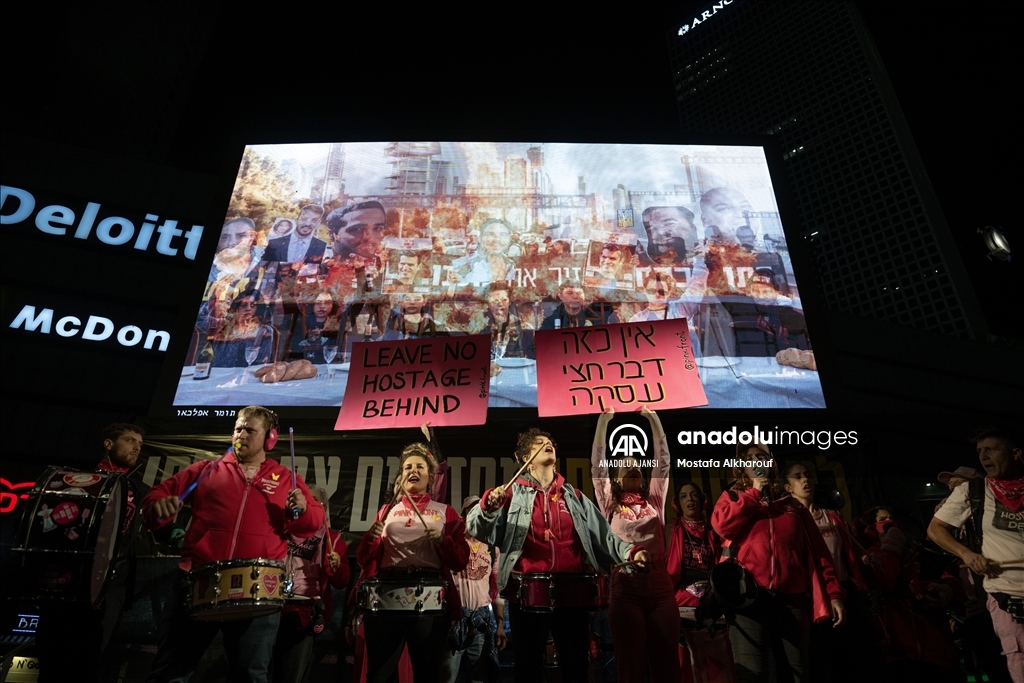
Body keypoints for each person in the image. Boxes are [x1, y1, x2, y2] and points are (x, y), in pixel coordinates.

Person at [141, 406, 324, 683]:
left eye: (250, 430)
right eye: (238, 428)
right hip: (197, 580)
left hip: (258, 587)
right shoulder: (206, 470)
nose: (242, 434)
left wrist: (303, 510)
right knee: (171, 672)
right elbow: (157, 496)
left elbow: (311, 524)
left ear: (270, 439)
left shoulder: (287, 480)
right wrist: (158, 508)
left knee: (250, 676)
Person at [466, 428, 648, 683]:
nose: (548, 444)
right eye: (539, 444)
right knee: (528, 670)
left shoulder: (572, 495)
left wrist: (632, 552)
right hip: (525, 596)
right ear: (523, 457)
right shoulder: (509, 493)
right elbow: (477, 529)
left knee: (575, 668)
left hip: (572, 594)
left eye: (550, 442)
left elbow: (605, 536)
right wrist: (487, 508)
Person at [711, 442, 845, 683]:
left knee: (796, 673)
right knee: (752, 674)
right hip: (748, 599)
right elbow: (721, 525)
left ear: (771, 464)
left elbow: (819, 553)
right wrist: (753, 494)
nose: (756, 461)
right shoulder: (732, 497)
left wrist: (833, 593)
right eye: (749, 458)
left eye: (760, 456)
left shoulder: (793, 506)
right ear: (741, 468)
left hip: (791, 599)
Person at [36, 424, 146, 683]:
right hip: (71, 579)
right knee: (53, 658)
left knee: (91, 661)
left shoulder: (139, 489)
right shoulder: (79, 478)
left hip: (112, 587)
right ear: (109, 444)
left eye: (140, 444)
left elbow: (157, 522)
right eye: (130, 440)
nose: (136, 447)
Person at [356, 443, 470, 683]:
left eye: (419, 466)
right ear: (401, 475)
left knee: (427, 673)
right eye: (408, 467)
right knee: (380, 673)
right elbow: (364, 558)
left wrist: (443, 540)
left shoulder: (445, 512)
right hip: (387, 594)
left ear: (430, 477)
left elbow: (461, 560)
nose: (413, 470)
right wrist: (370, 539)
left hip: (428, 596)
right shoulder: (387, 510)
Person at [929, 427, 1024, 683]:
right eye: (979, 451)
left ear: (1016, 454)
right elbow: (935, 529)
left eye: (991, 449)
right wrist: (967, 554)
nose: (983, 456)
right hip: (1006, 596)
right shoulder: (974, 492)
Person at [591, 407, 679, 683]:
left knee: (667, 665)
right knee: (631, 667)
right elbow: (598, 465)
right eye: (626, 464)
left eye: (638, 466)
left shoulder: (654, 502)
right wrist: (604, 422)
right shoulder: (609, 504)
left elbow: (662, 463)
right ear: (615, 478)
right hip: (625, 587)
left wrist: (653, 419)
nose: (634, 466)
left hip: (661, 588)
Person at [781, 462, 875, 683]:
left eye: (807, 475)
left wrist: (863, 559)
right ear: (787, 487)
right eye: (797, 477)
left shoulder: (831, 516)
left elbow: (846, 551)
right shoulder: (791, 521)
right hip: (815, 598)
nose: (805, 479)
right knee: (822, 658)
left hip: (844, 590)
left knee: (851, 657)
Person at [271, 486, 350, 683]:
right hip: (269, 606)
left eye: (312, 499)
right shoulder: (278, 530)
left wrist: (336, 567)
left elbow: (341, 582)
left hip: (303, 611)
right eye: (302, 498)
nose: (304, 502)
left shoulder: (332, 539)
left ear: (322, 507)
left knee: (289, 677)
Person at [667, 481, 733, 683]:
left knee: (719, 670)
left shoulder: (716, 531)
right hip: (680, 603)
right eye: (684, 496)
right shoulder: (670, 532)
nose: (690, 500)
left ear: (703, 500)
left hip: (712, 604)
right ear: (677, 504)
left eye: (694, 495)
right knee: (686, 668)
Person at [440, 496, 507, 683]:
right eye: (472, 511)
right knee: (446, 678)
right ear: (463, 516)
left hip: (480, 625)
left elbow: (497, 589)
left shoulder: (493, 549)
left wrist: (500, 624)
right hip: (453, 622)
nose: (477, 516)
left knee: (478, 678)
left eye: (481, 512)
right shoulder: (454, 546)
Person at [207, 288, 275, 367]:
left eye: (253, 305)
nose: (248, 309)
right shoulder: (226, 330)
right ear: (237, 309)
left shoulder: (265, 331)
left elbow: (261, 363)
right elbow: (217, 362)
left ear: (258, 308)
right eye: (243, 305)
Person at [479, 284, 535, 359]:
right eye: (495, 301)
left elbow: (532, 359)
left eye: (504, 300)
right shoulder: (479, 328)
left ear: (510, 302)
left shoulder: (524, 328)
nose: (500, 304)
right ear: (487, 304)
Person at [539, 280, 618, 329]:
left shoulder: (597, 318)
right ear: (561, 296)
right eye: (570, 293)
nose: (575, 296)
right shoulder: (550, 322)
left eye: (579, 293)